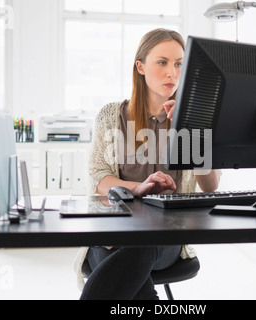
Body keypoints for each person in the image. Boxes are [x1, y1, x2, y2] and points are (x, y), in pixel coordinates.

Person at [74, 28, 220, 300]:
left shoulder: (194, 117)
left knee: (131, 251)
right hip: (114, 227)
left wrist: (192, 129)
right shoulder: (111, 115)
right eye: (162, 62)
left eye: (179, 64)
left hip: (164, 236)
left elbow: (210, 185)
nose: (172, 73)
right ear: (140, 66)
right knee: (110, 252)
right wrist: (138, 187)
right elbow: (99, 178)